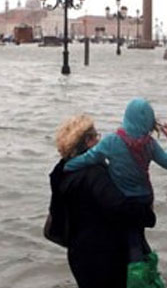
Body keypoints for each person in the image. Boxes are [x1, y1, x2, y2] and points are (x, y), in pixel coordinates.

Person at [64, 98, 167, 262]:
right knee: (138, 235)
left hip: (122, 200)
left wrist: (67, 166)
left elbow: (89, 158)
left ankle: (136, 274)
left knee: (132, 241)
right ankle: (147, 268)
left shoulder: (112, 141)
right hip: (145, 199)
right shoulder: (150, 144)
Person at [48, 114, 156, 288]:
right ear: (88, 141)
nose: (99, 141)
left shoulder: (60, 172)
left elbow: (58, 214)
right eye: (96, 136)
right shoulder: (94, 174)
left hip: (78, 255)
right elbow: (119, 207)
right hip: (104, 258)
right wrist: (148, 214)